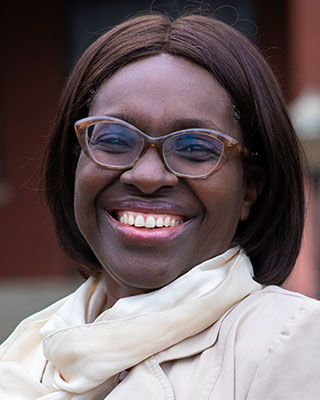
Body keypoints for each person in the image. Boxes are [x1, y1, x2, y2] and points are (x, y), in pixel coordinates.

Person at [0, 11, 319, 400]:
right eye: (114, 139)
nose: (148, 177)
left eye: (195, 147)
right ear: (74, 165)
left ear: (249, 189)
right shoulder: (27, 354)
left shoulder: (292, 344)